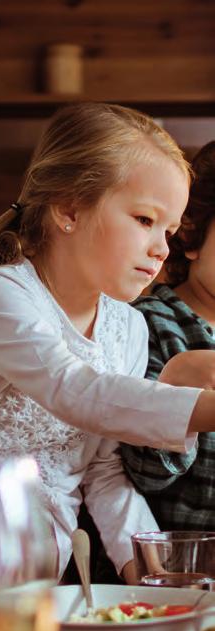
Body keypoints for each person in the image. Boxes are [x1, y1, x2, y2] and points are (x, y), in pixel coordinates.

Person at [0, 101, 215, 581]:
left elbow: (107, 476)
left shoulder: (127, 329)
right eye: (145, 220)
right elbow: (73, 389)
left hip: (41, 554)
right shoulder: (0, 293)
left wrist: (150, 575)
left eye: (169, 230)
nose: (162, 248)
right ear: (68, 209)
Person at [121, 142, 215, 529]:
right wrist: (174, 389)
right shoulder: (147, 326)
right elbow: (143, 475)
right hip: (184, 575)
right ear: (191, 237)